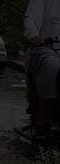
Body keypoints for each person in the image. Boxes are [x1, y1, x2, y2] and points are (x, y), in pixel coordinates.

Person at [24, 0, 60, 137]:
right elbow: (31, 19)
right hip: (45, 48)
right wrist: (33, 34)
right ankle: (44, 115)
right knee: (52, 66)